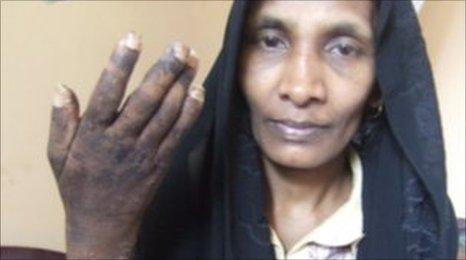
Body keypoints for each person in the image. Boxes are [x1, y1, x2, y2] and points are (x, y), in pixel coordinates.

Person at [47, 1, 458, 259]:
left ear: (379, 85)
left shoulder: (422, 237)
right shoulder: (160, 211)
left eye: (344, 49)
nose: (300, 88)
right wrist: (96, 234)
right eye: (271, 40)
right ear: (235, 64)